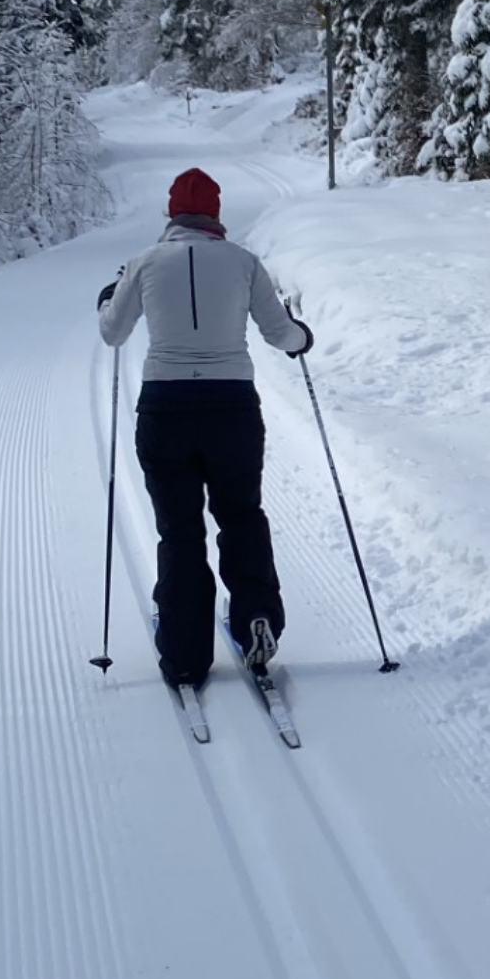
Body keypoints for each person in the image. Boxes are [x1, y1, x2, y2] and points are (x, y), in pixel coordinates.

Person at [97, 168, 313, 691]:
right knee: (241, 516)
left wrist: (109, 297)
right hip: (232, 408)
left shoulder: (144, 264)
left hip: (166, 408)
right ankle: (256, 618)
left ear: (171, 214)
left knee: (181, 530)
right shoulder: (244, 264)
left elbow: (113, 332)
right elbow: (282, 335)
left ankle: (185, 652)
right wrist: (302, 336)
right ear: (216, 215)